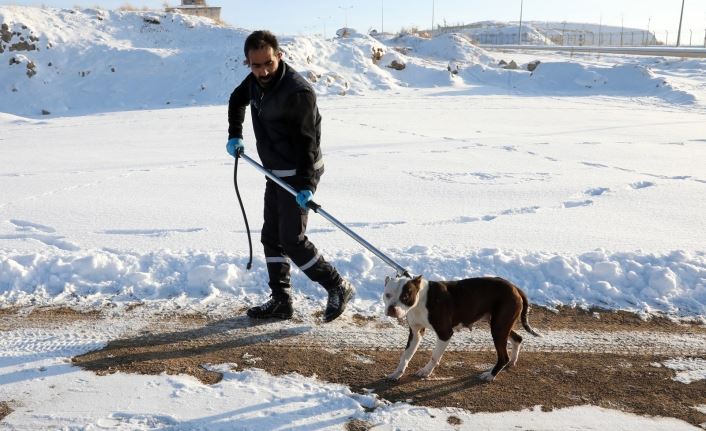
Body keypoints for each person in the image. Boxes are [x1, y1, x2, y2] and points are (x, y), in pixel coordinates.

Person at [226, 30, 354, 323]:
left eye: (268, 63)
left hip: (298, 172)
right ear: (248, 63)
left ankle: (338, 285)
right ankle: (281, 300)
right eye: (256, 65)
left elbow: (309, 142)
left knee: (291, 240)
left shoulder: (297, 92)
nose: (263, 71)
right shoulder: (254, 82)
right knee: (271, 237)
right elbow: (236, 99)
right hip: (274, 171)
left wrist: (306, 184)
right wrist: (235, 134)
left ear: (279, 56)